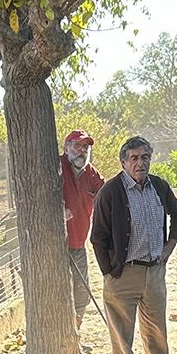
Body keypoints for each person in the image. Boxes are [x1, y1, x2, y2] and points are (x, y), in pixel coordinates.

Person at [88, 135, 177, 354]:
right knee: (122, 334)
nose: (139, 163)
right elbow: (98, 237)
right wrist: (110, 271)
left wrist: (170, 246)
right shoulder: (110, 192)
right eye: (133, 158)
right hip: (123, 274)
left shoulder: (159, 187)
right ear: (123, 162)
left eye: (144, 157)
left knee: (156, 330)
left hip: (154, 271)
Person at [59, 129, 103, 338]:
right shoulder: (57, 166)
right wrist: (58, 208)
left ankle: (73, 336)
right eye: (77, 146)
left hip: (78, 243)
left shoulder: (91, 173)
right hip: (56, 245)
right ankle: (62, 335)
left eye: (85, 147)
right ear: (66, 147)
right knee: (60, 292)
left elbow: (105, 198)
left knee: (82, 291)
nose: (82, 151)